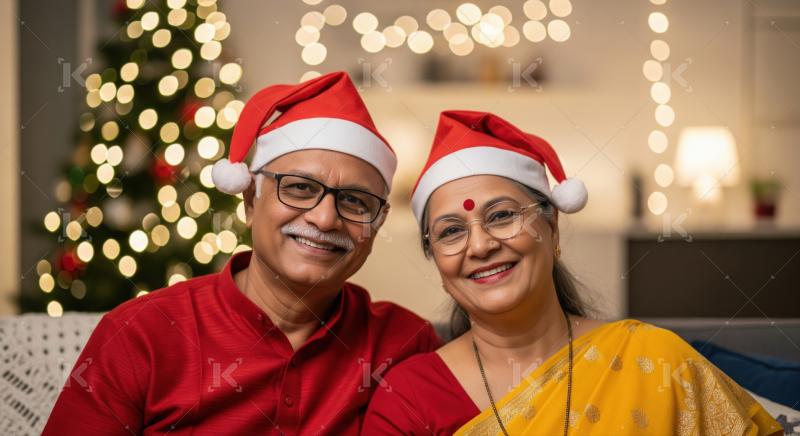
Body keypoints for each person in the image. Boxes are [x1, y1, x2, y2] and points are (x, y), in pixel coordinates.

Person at [43, 71, 440, 435]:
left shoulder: (407, 346)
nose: (324, 218)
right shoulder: (140, 335)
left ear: (377, 223)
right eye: (300, 187)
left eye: (355, 201)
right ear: (251, 200)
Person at [363, 110, 782, 435]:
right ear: (436, 259)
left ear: (552, 227)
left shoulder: (654, 358)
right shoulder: (409, 396)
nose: (480, 245)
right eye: (451, 231)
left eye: (503, 216)